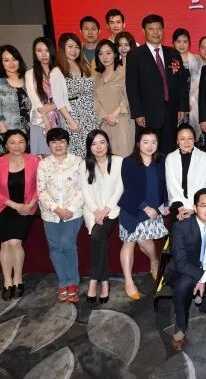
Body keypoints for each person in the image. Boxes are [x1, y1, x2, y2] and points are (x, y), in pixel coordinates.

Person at [164, 188, 206, 351]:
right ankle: (180, 325)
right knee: (184, 284)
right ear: (195, 207)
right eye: (204, 205)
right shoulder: (181, 227)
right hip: (183, 271)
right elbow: (181, 263)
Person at [0, 129, 39, 300]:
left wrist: (30, 204)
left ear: (26, 144)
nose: (17, 146)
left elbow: (41, 186)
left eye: (21, 142)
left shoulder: (34, 161)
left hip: (26, 206)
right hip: (4, 206)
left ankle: (18, 278)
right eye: (12, 142)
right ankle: (7, 280)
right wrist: (14, 205)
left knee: (15, 242)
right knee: (5, 243)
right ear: (6, 145)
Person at [126, 14, 189, 154]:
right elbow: (131, 87)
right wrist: (137, 113)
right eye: (151, 29)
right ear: (143, 31)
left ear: (163, 30)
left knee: (169, 151)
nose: (156, 32)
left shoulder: (173, 53)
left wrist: (182, 106)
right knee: (148, 152)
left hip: (171, 112)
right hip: (147, 114)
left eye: (159, 29)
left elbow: (181, 83)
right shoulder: (135, 54)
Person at [119, 128, 169, 299]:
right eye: (145, 142)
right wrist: (145, 208)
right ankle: (128, 282)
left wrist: (165, 204)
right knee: (129, 242)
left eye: (153, 142)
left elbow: (165, 185)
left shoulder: (161, 160)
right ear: (138, 143)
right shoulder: (128, 162)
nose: (149, 146)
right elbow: (129, 189)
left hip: (155, 209)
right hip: (133, 208)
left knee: (145, 242)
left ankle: (154, 261)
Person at [37, 128, 84, 303]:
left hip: (73, 212)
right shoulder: (43, 164)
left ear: (67, 143)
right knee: (55, 248)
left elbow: (82, 189)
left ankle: (73, 282)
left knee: (67, 245)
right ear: (49, 144)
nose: (58, 145)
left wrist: (68, 209)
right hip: (50, 214)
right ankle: (63, 282)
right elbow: (41, 190)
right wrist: (56, 209)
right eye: (54, 142)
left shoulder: (77, 162)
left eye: (62, 141)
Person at [80, 130, 124, 304]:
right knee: (99, 238)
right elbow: (85, 192)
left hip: (112, 210)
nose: (98, 147)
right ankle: (104, 281)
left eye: (102, 142)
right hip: (91, 211)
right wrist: (96, 211)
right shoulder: (84, 165)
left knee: (98, 236)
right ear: (89, 147)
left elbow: (119, 189)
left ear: (108, 143)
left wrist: (104, 211)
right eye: (94, 144)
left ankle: (94, 280)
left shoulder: (118, 162)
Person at [54, 32, 97, 158]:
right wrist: (71, 121)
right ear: (63, 48)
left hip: (90, 115)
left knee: (93, 150)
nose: (74, 50)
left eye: (77, 47)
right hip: (74, 116)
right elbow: (59, 101)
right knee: (78, 154)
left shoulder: (83, 66)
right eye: (70, 46)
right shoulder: (58, 71)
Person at [94, 39, 134, 157]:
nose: (104, 57)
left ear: (115, 54)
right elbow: (94, 100)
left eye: (108, 53)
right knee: (106, 158)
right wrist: (106, 116)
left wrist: (115, 114)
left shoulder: (124, 72)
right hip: (104, 122)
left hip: (122, 120)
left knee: (124, 157)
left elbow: (129, 96)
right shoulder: (96, 77)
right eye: (101, 54)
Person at [0, 45, 31, 154]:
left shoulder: (29, 78)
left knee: (33, 162)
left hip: (32, 130)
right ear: (1, 62)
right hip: (10, 133)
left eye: (14, 59)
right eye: (6, 60)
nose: (11, 63)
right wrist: (6, 136)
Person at [165, 124, 206, 221]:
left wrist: (193, 209)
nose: (186, 142)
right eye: (182, 139)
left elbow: (204, 184)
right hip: (177, 205)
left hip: (200, 204)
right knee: (178, 227)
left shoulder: (203, 157)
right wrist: (181, 208)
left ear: (194, 139)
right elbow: (171, 185)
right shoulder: (170, 158)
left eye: (190, 138)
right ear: (177, 141)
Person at [25, 37, 61, 156]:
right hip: (40, 121)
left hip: (60, 117)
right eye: (39, 51)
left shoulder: (59, 71)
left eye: (47, 50)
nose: (43, 54)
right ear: (35, 53)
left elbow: (65, 97)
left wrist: (53, 106)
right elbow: (35, 101)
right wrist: (47, 123)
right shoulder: (30, 74)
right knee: (47, 159)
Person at [173, 28, 204, 139]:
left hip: (194, 103)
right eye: (178, 41)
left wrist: (188, 103)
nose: (182, 45)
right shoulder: (169, 60)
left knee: (192, 136)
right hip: (175, 103)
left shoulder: (197, 60)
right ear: (173, 43)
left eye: (185, 41)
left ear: (189, 43)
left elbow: (200, 84)